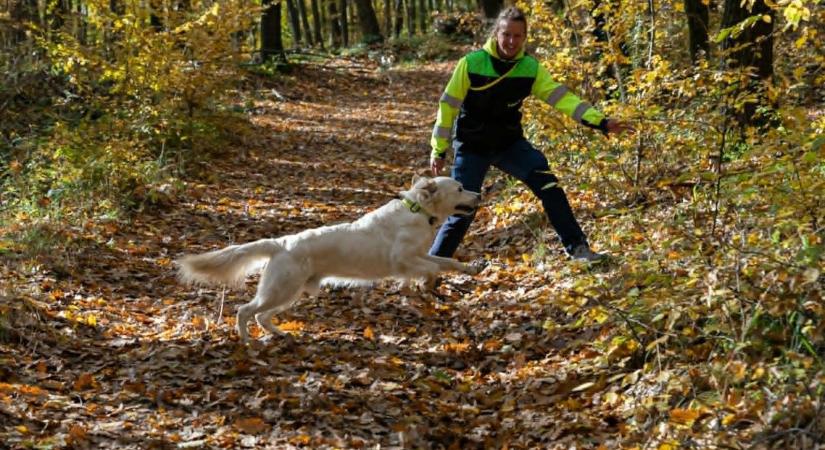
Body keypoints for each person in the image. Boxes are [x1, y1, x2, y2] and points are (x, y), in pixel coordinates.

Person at [428, 6, 634, 262]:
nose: (511, 42)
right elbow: (448, 107)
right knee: (462, 210)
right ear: (496, 33)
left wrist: (601, 122)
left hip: (509, 144)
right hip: (473, 146)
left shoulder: (529, 68)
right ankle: (431, 268)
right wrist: (438, 149)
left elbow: (562, 98)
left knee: (549, 186)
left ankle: (579, 250)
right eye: (506, 35)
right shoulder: (471, 63)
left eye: (518, 36)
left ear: (524, 37)